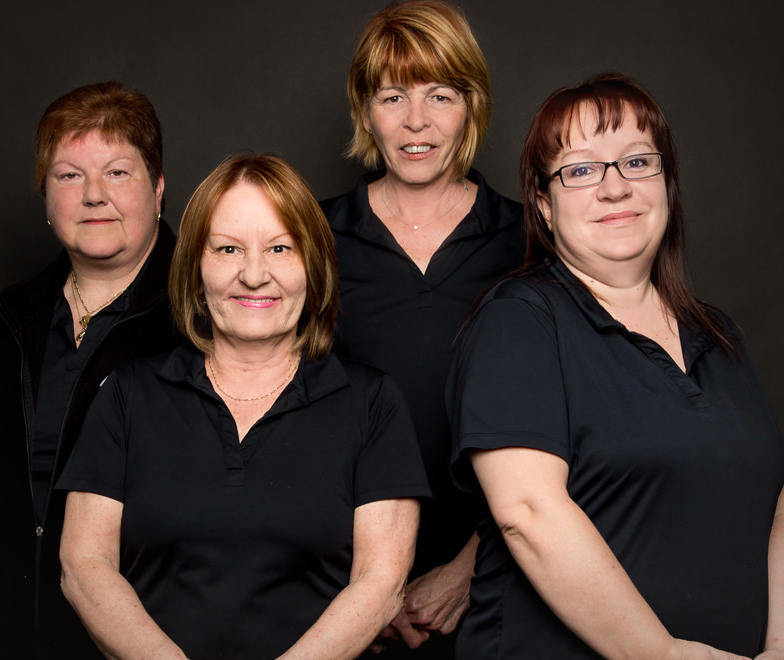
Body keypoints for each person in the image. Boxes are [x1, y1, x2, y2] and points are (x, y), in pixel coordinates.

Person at [447, 72, 784, 660]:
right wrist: (662, 654)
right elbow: (527, 512)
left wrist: (783, 651)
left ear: (666, 184)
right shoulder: (518, 322)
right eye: (581, 170)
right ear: (543, 205)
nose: (615, 188)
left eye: (638, 162)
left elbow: (779, 505)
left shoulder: (718, 336)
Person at [57, 153, 430, 660]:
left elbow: (380, 581)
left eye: (280, 248)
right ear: (196, 267)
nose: (254, 275)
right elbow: (83, 566)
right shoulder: (127, 395)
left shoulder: (372, 404)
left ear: (313, 265)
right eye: (229, 248)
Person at [0, 80, 178, 660]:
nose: (94, 195)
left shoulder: (202, 321)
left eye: (117, 173)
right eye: (69, 175)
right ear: (47, 198)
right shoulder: (3, 321)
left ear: (157, 188)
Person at [319, 2, 524, 655]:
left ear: (471, 105)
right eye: (393, 97)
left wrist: (469, 567)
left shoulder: (527, 241)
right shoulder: (312, 237)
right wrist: (366, 592)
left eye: (440, 95)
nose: (416, 121)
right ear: (365, 111)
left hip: (499, 580)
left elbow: (569, 425)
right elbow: (282, 416)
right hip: (342, 578)